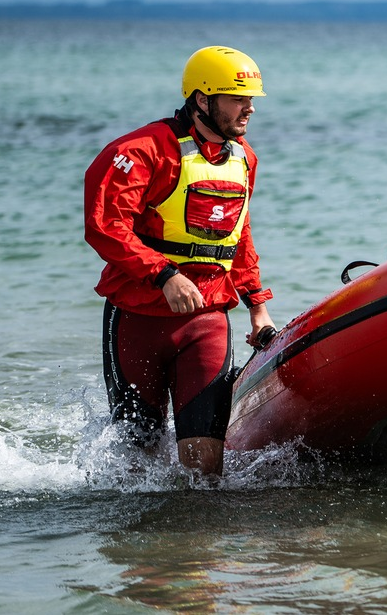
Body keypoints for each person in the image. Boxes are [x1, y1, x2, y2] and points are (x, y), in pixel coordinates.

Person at [84, 45, 276, 478]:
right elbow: (105, 225)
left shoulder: (244, 158)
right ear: (202, 100)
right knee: (138, 465)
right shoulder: (142, 151)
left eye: (251, 100)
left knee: (206, 471)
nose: (248, 109)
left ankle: (200, 544)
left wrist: (258, 308)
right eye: (237, 98)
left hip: (206, 321)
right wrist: (165, 275)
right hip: (138, 316)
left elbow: (238, 237)